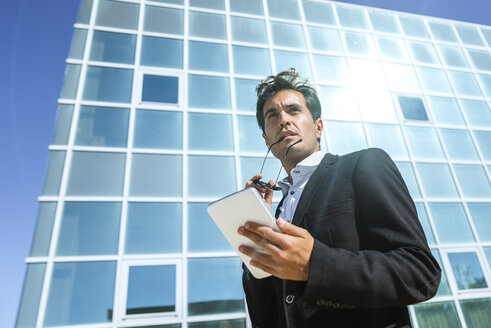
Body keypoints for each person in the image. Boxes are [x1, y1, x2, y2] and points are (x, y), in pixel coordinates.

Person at [237, 69, 441, 327]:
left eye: (294, 110)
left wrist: (316, 265)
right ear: (266, 140)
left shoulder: (364, 165)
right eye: (273, 115)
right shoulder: (274, 216)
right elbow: (265, 319)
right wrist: (260, 225)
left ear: (318, 126)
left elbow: (420, 272)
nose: (284, 120)